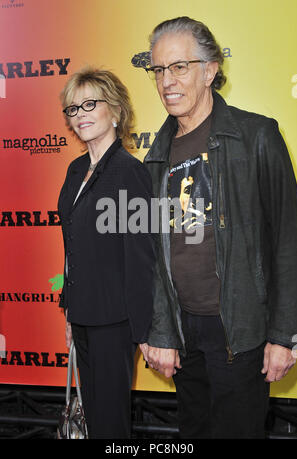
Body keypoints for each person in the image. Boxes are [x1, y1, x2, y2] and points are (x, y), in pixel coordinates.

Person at [140, 16, 297, 439]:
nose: (166, 81)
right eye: (158, 69)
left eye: (179, 67)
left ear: (210, 70)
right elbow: (156, 258)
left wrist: (285, 336)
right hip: (184, 331)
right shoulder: (154, 157)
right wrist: (160, 331)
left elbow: (289, 240)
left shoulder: (256, 137)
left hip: (241, 330)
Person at [58, 66, 155, 439]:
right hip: (82, 315)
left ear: (114, 111)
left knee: (111, 423)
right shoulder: (75, 169)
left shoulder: (129, 172)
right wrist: (69, 307)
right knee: (95, 419)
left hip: (115, 322)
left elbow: (141, 257)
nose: (80, 114)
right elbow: (71, 244)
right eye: (72, 108)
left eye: (89, 104)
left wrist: (144, 329)